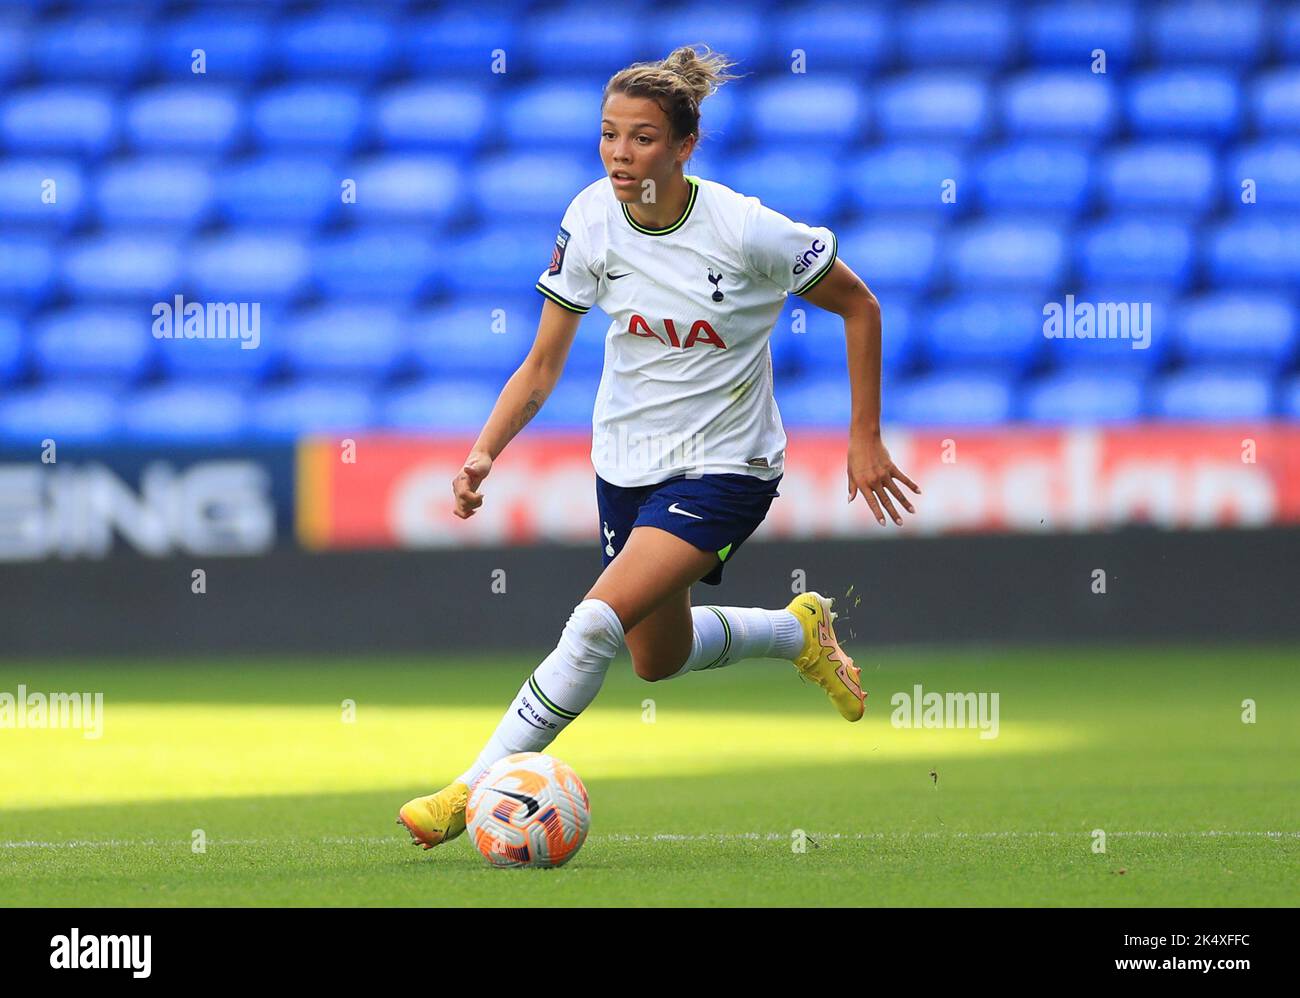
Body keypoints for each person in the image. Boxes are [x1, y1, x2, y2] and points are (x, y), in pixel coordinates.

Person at [399, 44, 919, 851]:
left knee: (593, 625)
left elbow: (860, 306)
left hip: (728, 465)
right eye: (608, 134)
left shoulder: (747, 231)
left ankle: (468, 792)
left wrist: (865, 437)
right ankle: (797, 632)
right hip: (625, 463)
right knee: (655, 659)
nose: (619, 153)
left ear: (684, 146)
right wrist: (483, 453)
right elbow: (540, 367)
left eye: (641, 138)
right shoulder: (590, 217)